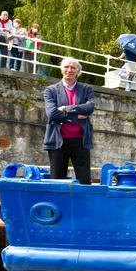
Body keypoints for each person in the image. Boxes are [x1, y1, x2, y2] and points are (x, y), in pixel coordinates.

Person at [43, 57, 95, 185]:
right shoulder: (51, 90)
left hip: (81, 140)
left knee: (84, 181)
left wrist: (67, 108)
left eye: (73, 67)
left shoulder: (86, 89)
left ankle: (83, 205)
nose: (69, 70)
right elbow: (52, 113)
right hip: (58, 140)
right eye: (66, 66)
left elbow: (89, 108)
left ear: (78, 71)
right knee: (57, 181)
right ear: (61, 69)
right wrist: (76, 116)